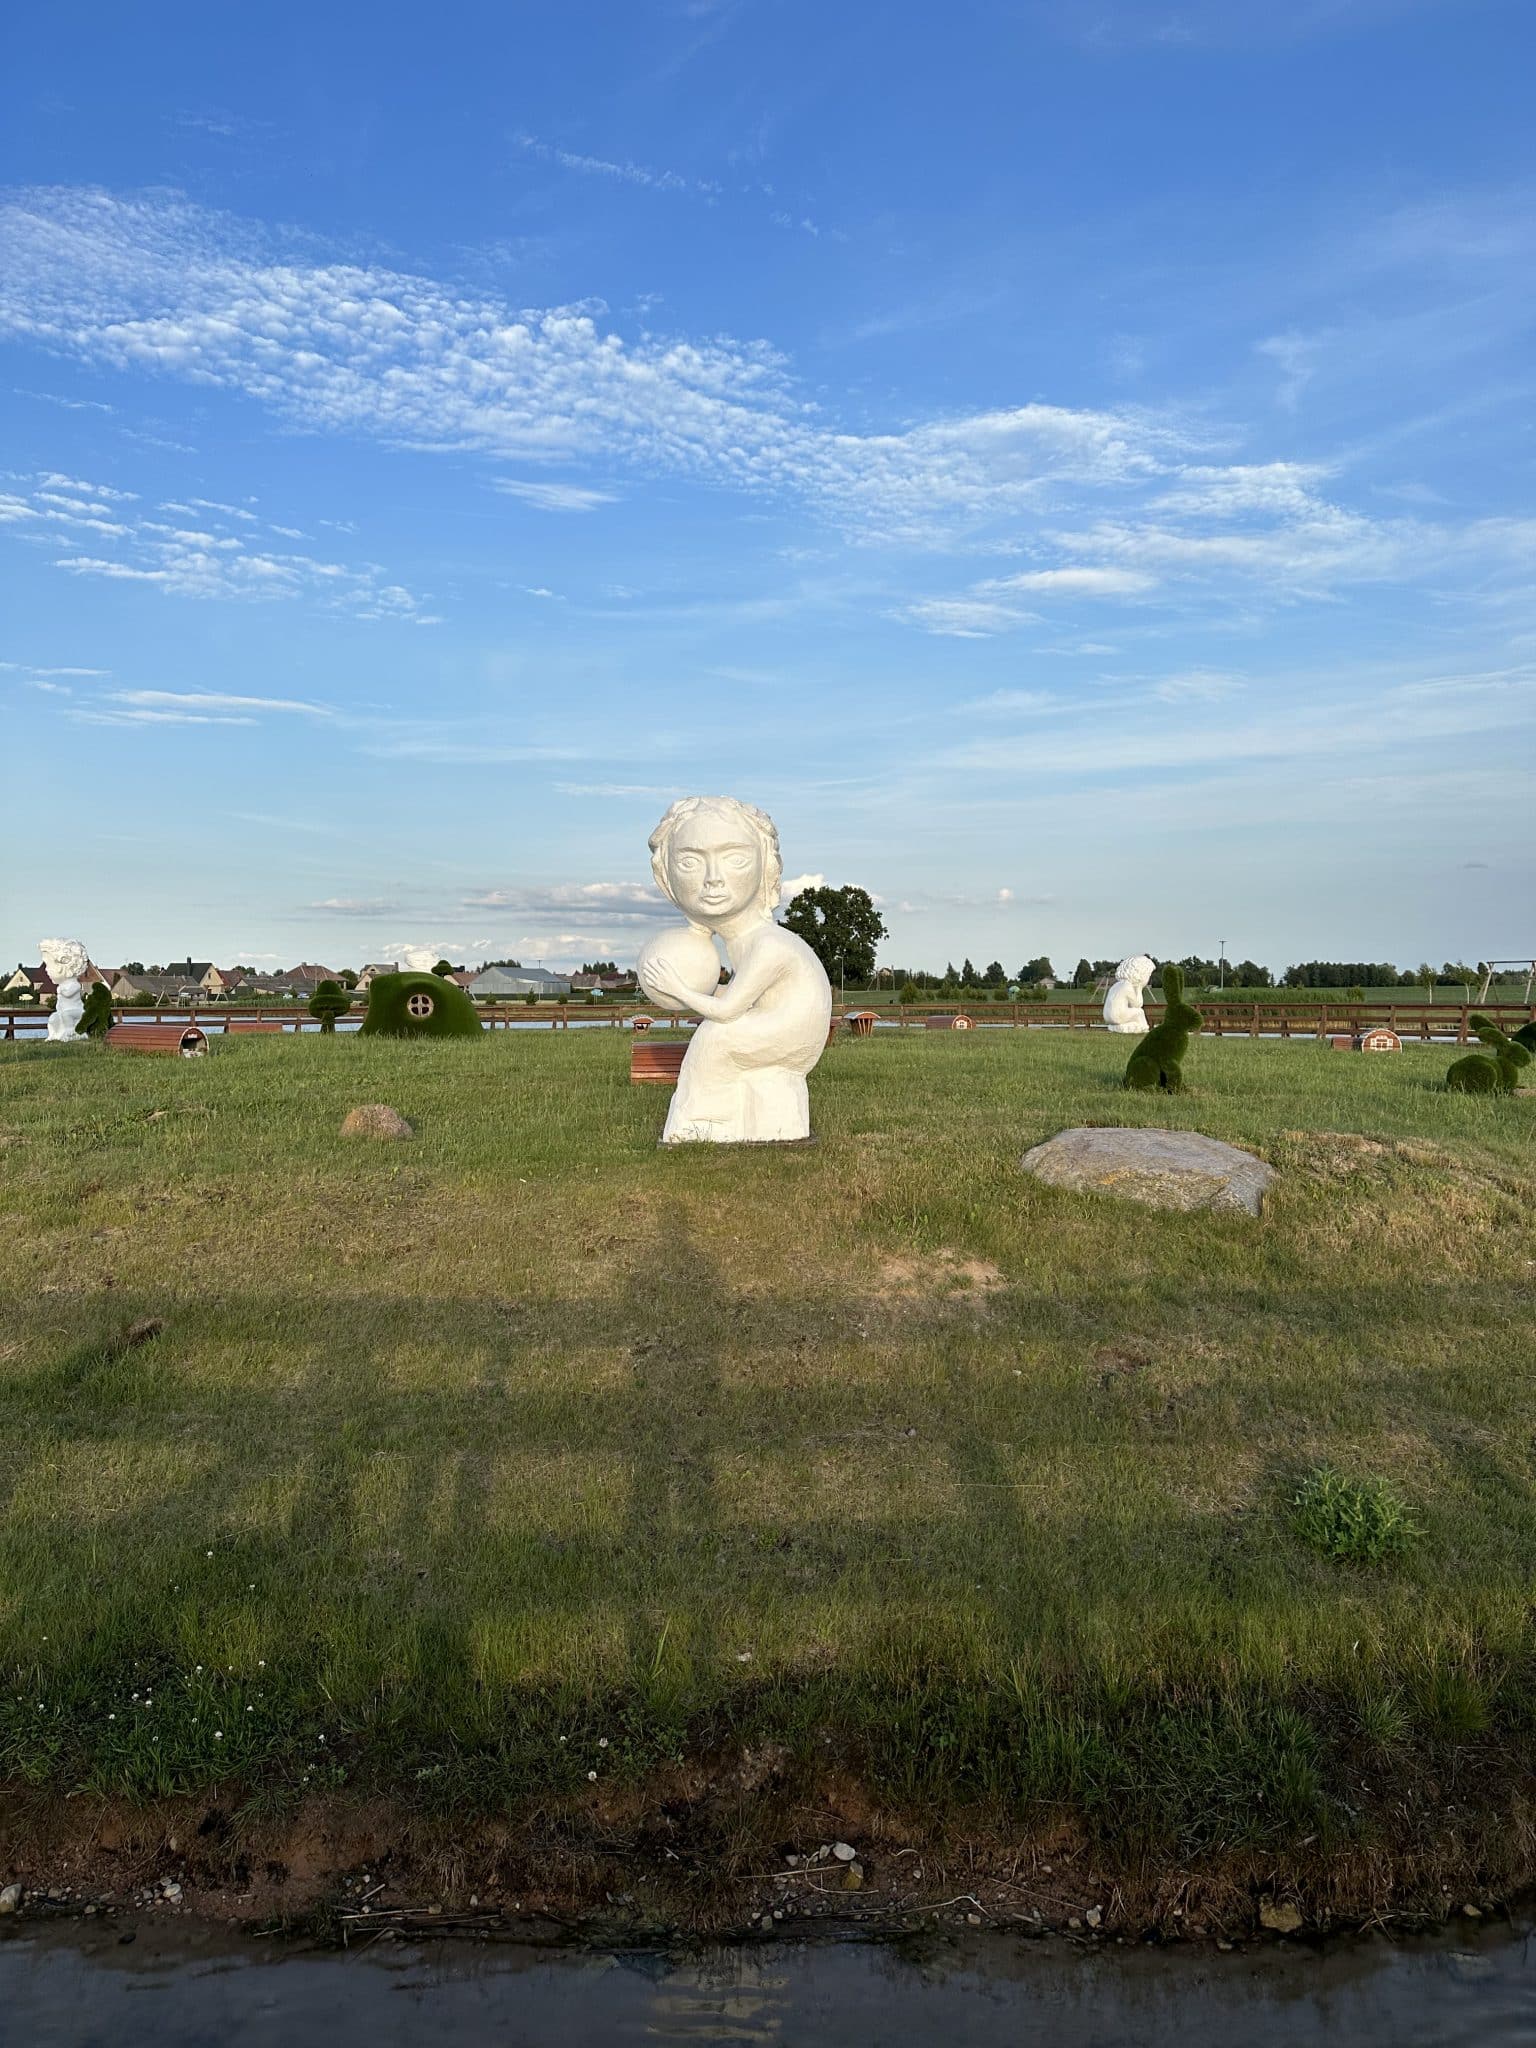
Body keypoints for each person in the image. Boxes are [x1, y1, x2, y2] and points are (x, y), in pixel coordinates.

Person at [638, 796, 832, 1143]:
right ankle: (718, 1118)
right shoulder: (743, 940)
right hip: (775, 1022)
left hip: (791, 1032)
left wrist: (679, 989)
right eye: (690, 861)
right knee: (718, 1035)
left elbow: (728, 1011)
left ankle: (705, 1122)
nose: (713, 879)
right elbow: (744, 995)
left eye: (735, 859)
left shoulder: (768, 944)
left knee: (715, 1039)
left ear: (765, 866)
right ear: (666, 875)